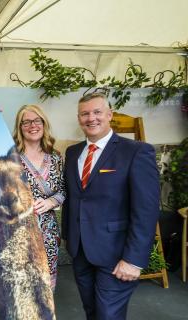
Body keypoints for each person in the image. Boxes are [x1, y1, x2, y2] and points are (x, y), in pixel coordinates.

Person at [62, 92, 160, 319]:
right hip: (80, 251)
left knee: (108, 315)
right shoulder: (73, 152)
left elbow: (146, 210)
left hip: (117, 255)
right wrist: (69, 238)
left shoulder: (136, 151)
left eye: (97, 112)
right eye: (85, 114)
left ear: (109, 115)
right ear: (79, 119)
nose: (91, 118)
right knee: (92, 311)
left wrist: (134, 260)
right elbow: (73, 198)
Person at [12, 104, 65, 290]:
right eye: (26, 122)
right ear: (20, 127)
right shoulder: (10, 158)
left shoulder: (56, 158)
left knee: (45, 291)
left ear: (44, 123)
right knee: (21, 288)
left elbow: (63, 191)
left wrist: (51, 201)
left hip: (48, 233)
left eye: (36, 120)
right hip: (17, 233)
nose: (32, 125)